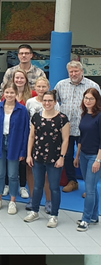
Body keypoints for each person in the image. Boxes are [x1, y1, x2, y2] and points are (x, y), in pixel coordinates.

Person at [24, 90, 69, 228]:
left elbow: (65, 139)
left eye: (50, 100)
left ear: (55, 102)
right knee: (38, 185)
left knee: (54, 187)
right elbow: (32, 136)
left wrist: (62, 157)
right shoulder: (36, 117)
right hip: (38, 157)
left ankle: (54, 215)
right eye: (45, 100)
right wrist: (29, 154)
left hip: (55, 158)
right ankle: (35, 211)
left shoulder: (62, 118)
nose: (47, 103)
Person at [55, 61, 101, 193]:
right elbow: (54, 101)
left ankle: (89, 186)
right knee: (67, 155)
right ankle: (72, 181)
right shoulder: (61, 85)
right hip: (67, 127)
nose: (73, 74)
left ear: (82, 71)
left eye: (76, 71)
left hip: (87, 127)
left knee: (87, 156)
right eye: (71, 71)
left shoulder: (93, 86)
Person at [0, 82, 30, 215]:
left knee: (12, 174)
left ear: (16, 94)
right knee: (0, 174)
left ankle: (12, 201)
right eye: (7, 92)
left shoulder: (22, 110)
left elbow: (25, 132)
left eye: (12, 92)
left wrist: (23, 150)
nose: (10, 95)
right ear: (3, 93)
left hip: (15, 144)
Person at [74, 88, 101, 231]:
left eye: (91, 98)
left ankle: (86, 219)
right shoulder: (84, 114)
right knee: (91, 187)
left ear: (96, 100)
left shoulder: (99, 116)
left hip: (95, 156)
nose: (88, 101)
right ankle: (94, 216)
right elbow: (81, 137)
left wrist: (98, 160)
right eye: (86, 98)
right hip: (83, 154)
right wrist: (77, 155)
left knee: (89, 189)